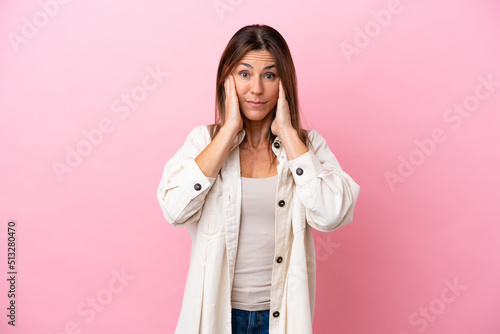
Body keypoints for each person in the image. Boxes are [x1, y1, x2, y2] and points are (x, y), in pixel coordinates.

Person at [157, 24, 361, 334]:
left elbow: (331, 215)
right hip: (218, 315)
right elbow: (174, 210)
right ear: (227, 79)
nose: (256, 89)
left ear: (284, 83)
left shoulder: (307, 146)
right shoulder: (203, 142)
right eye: (244, 74)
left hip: (281, 317)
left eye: (269, 75)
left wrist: (289, 136)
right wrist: (226, 133)